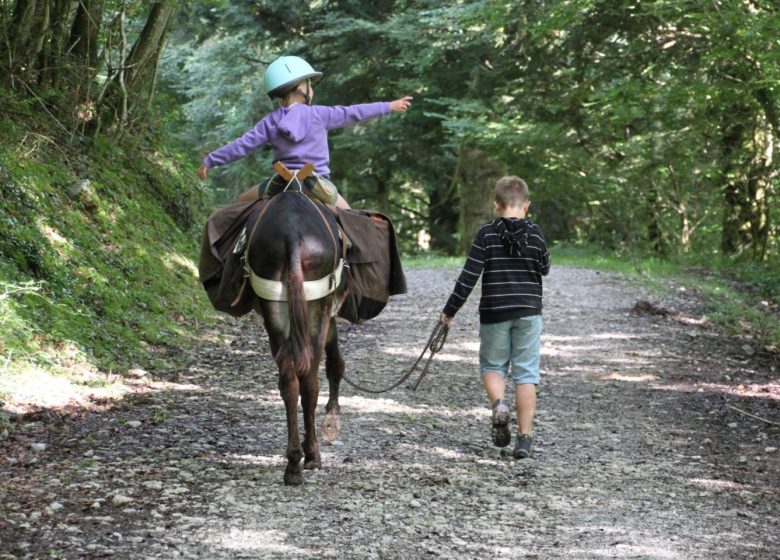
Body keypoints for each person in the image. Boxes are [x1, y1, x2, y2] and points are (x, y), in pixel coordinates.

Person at [197, 55, 412, 208]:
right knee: (353, 224)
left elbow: (242, 145)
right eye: (309, 83)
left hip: (280, 183)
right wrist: (388, 106)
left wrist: (211, 160)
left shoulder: (270, 122)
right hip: (318, 184)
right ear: (300, 87)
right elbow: (353, 113)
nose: (312, 88)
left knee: (240, 205)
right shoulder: (320, 114)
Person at [440, 176, 551, 459]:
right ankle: (524, 440)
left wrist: (449, 311)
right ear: (527, 205)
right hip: (528, 312)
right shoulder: (536, 233)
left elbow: (468, 277)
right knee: (526, 373)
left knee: (492, 365)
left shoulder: (487, 233)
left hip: (494, 313)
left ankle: (499, 404)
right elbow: (545, 267)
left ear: (495, 205)